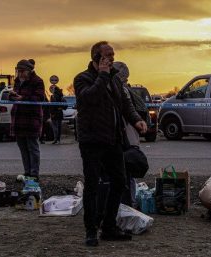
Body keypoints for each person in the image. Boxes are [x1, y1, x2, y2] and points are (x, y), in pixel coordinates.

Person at [74, 41, 147, 246]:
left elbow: (125, 105)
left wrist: (136, 120)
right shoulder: (83, 79)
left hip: (113, 140)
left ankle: (108, 226)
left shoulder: (115, 79)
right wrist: (102, 75)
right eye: (108, 55)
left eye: (113, 55)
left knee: (119, 181)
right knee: (92, 185)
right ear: (96, 58)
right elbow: (89, 99)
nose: (112, 58)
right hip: (92, 141)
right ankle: (90, 229)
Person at [112, 61, 146, 208]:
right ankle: (128, 202)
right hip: (130, 135)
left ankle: (127, 203)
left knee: (126, 170)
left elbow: (126, 113)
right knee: (127, 171)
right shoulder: (127, 89)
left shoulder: (122, 90)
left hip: (126, 135)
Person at [10, 59, 45, 180]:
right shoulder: (17, 81)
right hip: (18, 118)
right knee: (23, 148)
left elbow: (40, 97)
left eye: (22, 71)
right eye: (18, 71)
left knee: (32, 148)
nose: (19, 74)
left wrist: (23, 98)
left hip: (31, 119)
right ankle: (27, 172)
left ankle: (34, 174)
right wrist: (13, 96)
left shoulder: (38, 81)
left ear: (29, 71)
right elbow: (15, 94)